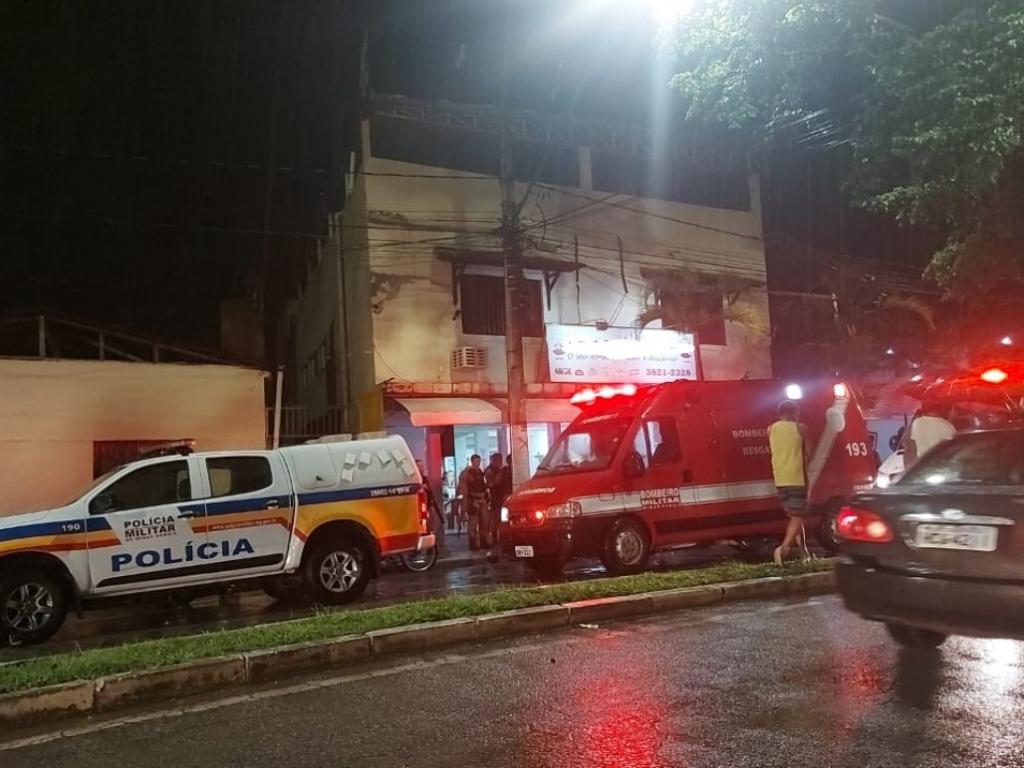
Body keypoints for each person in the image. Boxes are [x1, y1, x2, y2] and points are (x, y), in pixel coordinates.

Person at [769, 400, 810, 566]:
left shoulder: (770, 429)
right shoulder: (801, 428)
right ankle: (783, 549)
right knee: (798, 515)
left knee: (794, 516)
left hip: (780, 478)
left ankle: (804, 552)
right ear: (794, 412)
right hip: (797, 477)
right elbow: (809, 453)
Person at [905, 402, 956, 468]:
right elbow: (954, 451)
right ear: (941, 408)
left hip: (921, 468)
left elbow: (910, 447)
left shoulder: (917, 423)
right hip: (940, 468)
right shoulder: (948, 426)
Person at [457, 454, 489, 550]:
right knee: (473, 523)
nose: (477, 463)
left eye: (479, 461)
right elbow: (464, 489)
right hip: (473, 500)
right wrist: (466, 503)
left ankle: (483, 541)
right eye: (476, 461)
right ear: (472, 461)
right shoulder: (467, 473)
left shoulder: (480, 472)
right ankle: (473, 543)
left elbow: (484, 485)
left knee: (484, 523)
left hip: (482, 499)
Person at [415, 459, 445, 534]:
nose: (420, 468)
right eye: (418, 466)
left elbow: (430, 492)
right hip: (418, 508)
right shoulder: (413, 479)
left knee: (430, 525)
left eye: (421, 466)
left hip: (427, 506)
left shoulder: (425, 479)